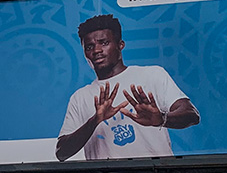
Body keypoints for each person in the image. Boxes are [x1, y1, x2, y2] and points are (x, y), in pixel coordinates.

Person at [56, 14, 200, 162]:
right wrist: (95, 119)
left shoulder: (152, 75)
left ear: (120, 45)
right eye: (89, 47)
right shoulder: (80, 97)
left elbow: (191, 115)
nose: (96, 50)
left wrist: (161, 119)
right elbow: (61, 152)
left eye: (104, 43)